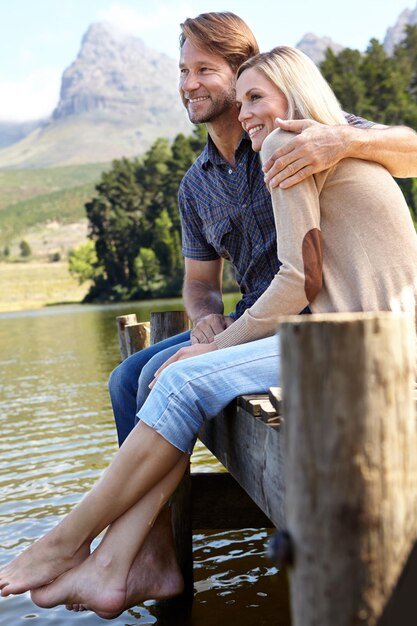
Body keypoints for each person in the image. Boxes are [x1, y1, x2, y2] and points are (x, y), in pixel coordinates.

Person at [1, 34, 416, 620]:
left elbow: (301, 280)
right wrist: (207, 329)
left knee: (175, 381)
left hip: (350, 339)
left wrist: (217, 348)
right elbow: (258, 279)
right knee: (137, 377)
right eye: (182, 71)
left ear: (279, 90)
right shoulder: (216, 171)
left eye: (247, 93)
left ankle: (67, 545)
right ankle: (123, 558)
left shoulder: (301, 139)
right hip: (344, 327)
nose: (242, 110)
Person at [109, 11, 417, 448]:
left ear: (239, 74)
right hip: (251, 316)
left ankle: (139, 508)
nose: (188, 84)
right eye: (183, 71)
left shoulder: (299, 130)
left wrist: (346, 140)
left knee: (159, 379)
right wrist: (205, 320)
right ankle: (162, 514)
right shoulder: (195, 185)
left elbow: (412, 151)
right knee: (126, 377)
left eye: (203, 70)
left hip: (318, 315)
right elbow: (200, 284)